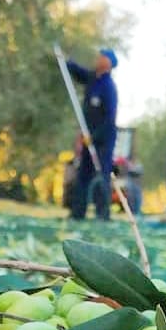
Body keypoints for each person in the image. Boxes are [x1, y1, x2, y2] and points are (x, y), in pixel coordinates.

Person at [65, 48, 118, 220]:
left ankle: (103, 215)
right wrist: (67, 61)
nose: (98, 58)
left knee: (101, 175)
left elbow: (110, 118)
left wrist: (94, 137)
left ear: (109, 63)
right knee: (83, 175)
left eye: (103, 56)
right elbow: (78, 73)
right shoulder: (92, 78)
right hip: (87, 136)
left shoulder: (108, 87)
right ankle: (77, 213)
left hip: (102, 140)